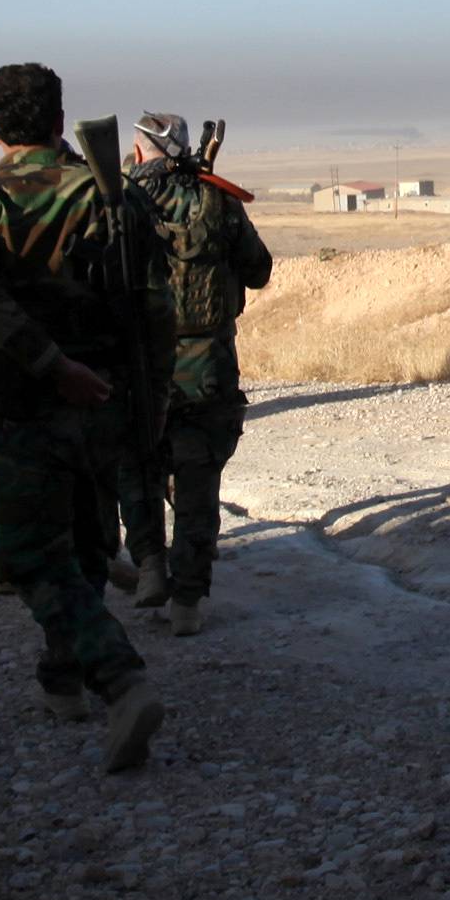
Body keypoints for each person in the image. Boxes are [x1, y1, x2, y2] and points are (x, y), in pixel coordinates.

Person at [0, 62, 170, 773]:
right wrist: (148, 402)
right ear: (54, 116)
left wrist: (52, 366)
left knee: (30, 555)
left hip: (31, 401)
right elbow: (156, 308)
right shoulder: (113, 196)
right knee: (89, 545)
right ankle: (62, 679)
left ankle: (119, 679)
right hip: (107, 400)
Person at [117, 113, 272, 636]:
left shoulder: (113, 203)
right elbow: (259, 269)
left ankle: (148, 565)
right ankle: (187, 600)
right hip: (206, 366)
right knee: (198, 479)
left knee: (136, 467)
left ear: (139, 153)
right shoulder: (217, 200)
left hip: (136, 364)